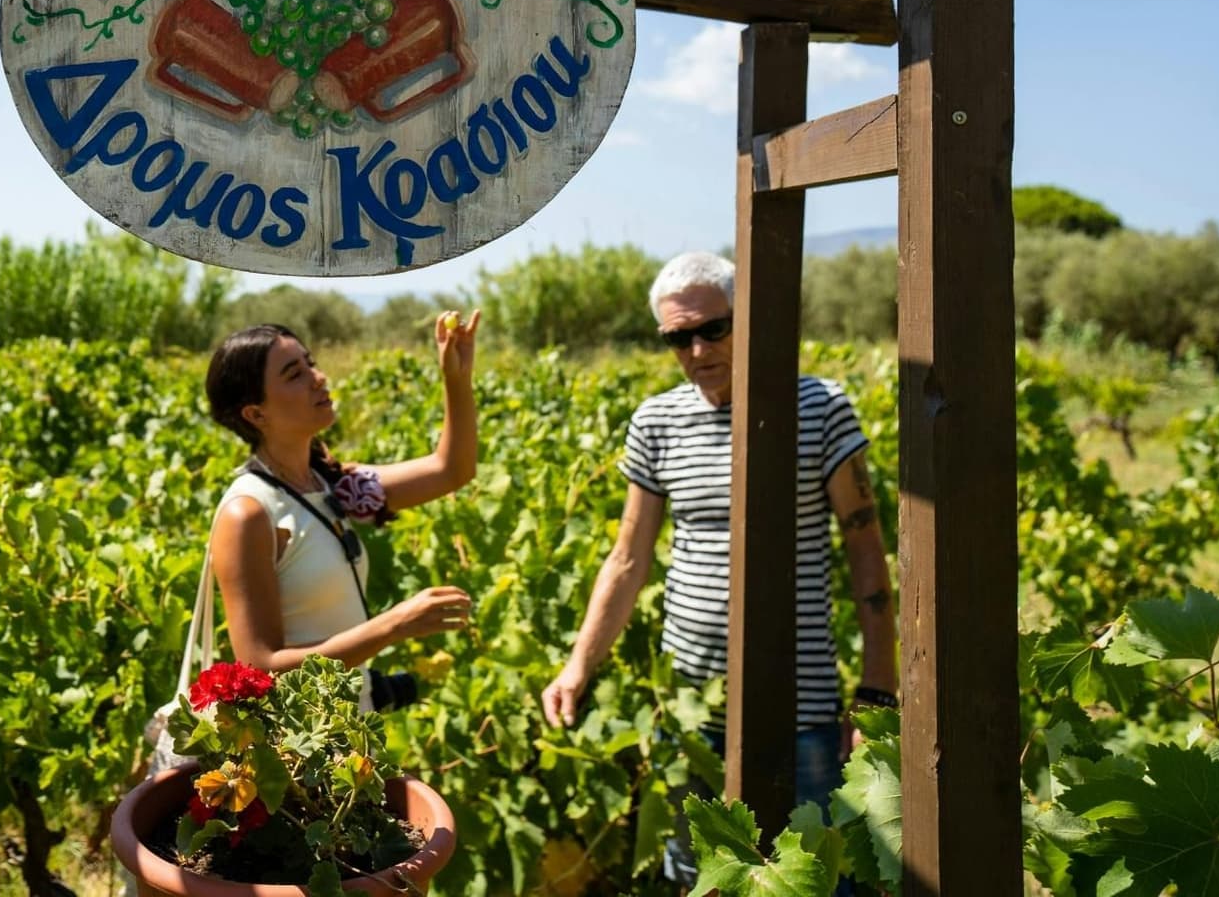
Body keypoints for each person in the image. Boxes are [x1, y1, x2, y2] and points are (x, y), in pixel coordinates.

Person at [540, 252, 897, 892]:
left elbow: (865, 547)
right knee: (702, 876)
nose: (697, 349)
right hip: (688, 709)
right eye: (678, 338)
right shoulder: (657, 421)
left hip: (800, 702)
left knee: (817, 877)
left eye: (713, 329)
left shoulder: (818, 407)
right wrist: (578, 664)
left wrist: (875, 690)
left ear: (749, 319)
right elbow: (627, 558)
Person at [202, 313, 480, 710]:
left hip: (350, 726)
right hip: (299, 747)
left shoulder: (331, 483)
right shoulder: (248, 513)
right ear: (255, 414)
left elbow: (451, 470)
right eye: (294, 374)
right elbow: (260, 670)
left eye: (310, 363)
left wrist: (456, 378)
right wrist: (394, 624)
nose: (318, 377)